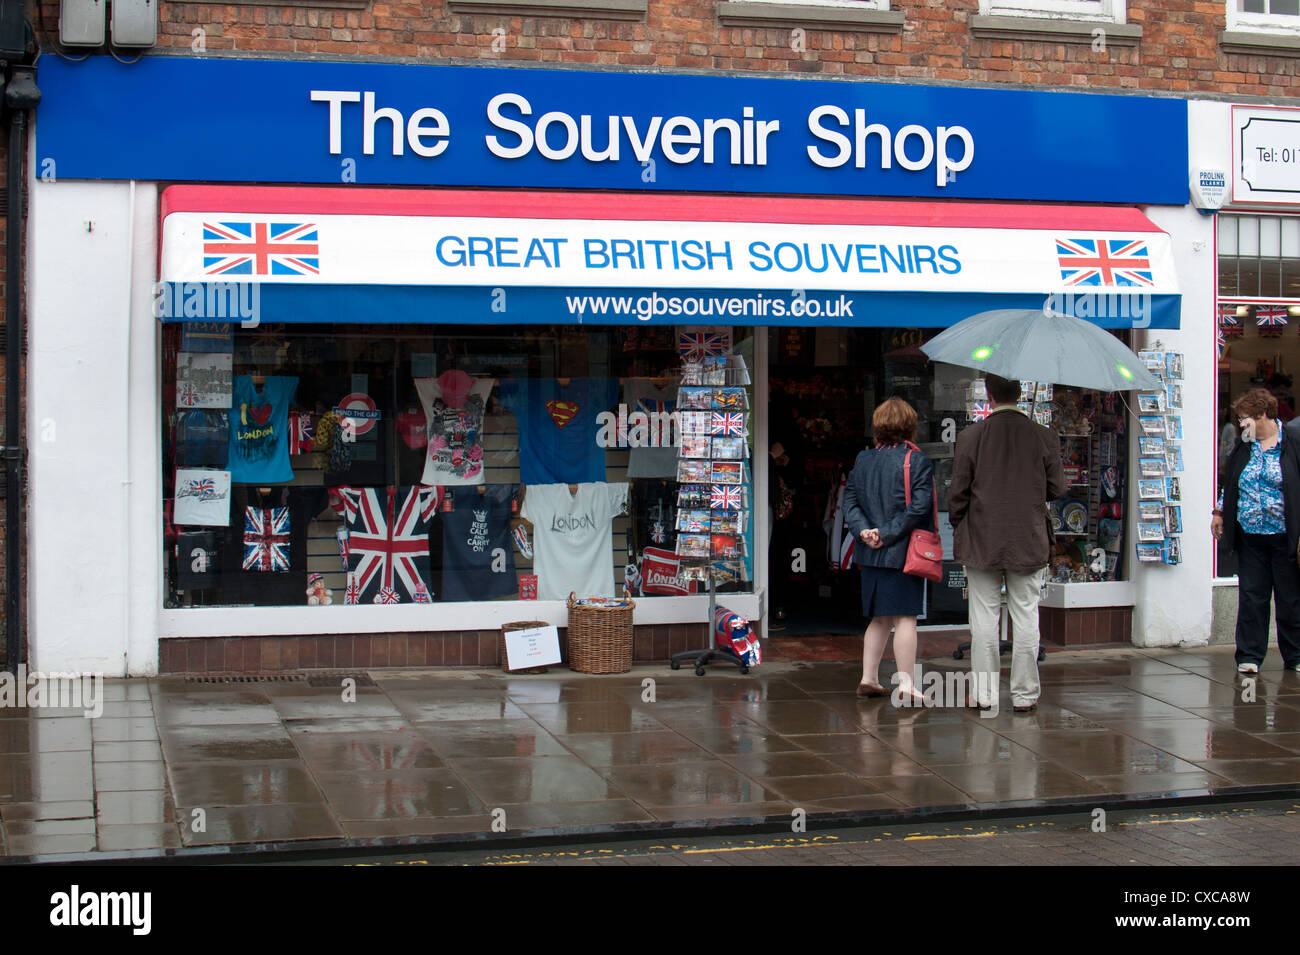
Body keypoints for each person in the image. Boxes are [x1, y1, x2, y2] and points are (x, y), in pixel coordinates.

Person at [948, 374, 1066, 713]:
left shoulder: (972, 436)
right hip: (1028, 538)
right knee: (1026, 616)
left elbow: (957, 493)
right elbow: (1057, 489)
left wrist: (962, 524)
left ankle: (984, 693)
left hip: (982, 537)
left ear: (989, 395)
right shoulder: (1042, 436)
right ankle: (1025, 695)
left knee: (983, 618)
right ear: (1019, 393)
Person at [843, 397, 934, 704]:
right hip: (902, 550)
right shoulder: (917, 460)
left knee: (879, 618)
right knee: (905, 618)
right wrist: (887, 532)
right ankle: (907, 685)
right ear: (910, 425)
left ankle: (868, 678)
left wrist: (865, 531)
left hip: (869, 549)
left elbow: (850, 502)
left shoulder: (863, 458)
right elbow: (920, 506)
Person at [1212, 388, 1300, 674]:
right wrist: (1220, 512)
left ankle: (1296, 655)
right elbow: (1232, 482)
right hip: (1250, 536)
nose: (1241, 425)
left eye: (1245, 419)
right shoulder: (1244, 446)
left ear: (1263, 415)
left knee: (1290, 598)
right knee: (1252, 596)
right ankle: (1249, 655)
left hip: (1285, 536)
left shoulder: (1292, 443)